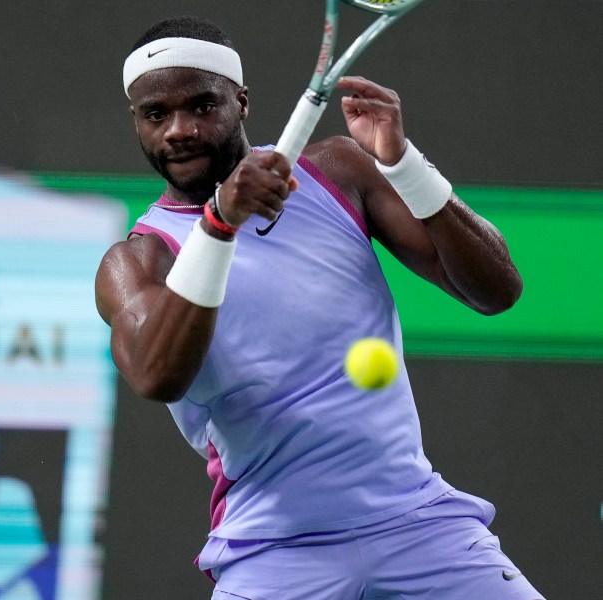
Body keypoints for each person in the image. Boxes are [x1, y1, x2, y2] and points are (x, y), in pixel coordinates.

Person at [95, 15, 544, 600]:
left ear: (241, 103)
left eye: (202, 106)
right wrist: (219, 223)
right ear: (138, 123)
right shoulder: (137, 261)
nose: (179, 129)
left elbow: (497, 290)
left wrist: (404, 164)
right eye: (157, 115)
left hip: (420, 526)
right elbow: (157, 375)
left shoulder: (338, 172)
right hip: (273, 553)